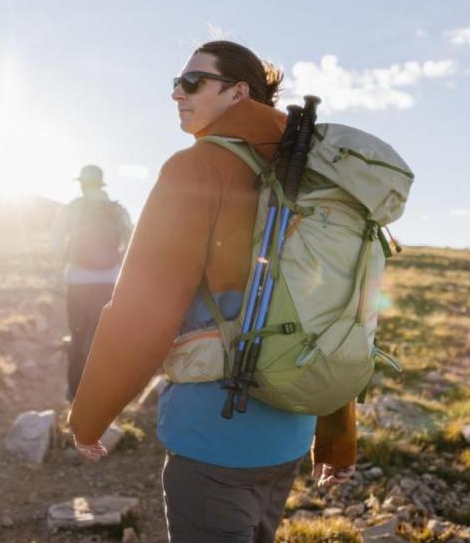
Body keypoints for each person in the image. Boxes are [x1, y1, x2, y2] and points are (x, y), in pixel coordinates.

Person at [67, 41, 357, 542]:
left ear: (238, 92)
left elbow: (143, 310)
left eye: (193, 81)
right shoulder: (313, 175)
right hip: (290, 430)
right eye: (175, 83)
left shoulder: (196, 168)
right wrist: (336, 438)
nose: (177, 93)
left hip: (214, 435)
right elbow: (335, 309)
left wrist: (88, 418)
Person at [49, 165, 132, 401]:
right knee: (100, 338)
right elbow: (131, 243)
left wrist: (63, 266)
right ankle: (98, 393)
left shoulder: (72, 208)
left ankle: (74, 393)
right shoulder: (117, 210)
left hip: (77, 280)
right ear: (101, 184)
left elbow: (54, 242)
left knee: (77, 336)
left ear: (82, 184)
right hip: (108, 281)